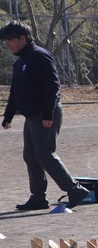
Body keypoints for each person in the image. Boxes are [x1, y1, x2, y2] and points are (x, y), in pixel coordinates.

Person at [1, 21, 91, 210]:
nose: (6, 44)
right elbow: (15, 92)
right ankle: (38, 198)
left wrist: (48, 113)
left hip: (45, 113)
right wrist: (8, 116)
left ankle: (75, 190)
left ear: (22, 38)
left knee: (43, 153)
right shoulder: (20, 63)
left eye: (9, 40)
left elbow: (53, 85)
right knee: (30, 156)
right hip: (31, 116)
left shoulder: (40, 56)